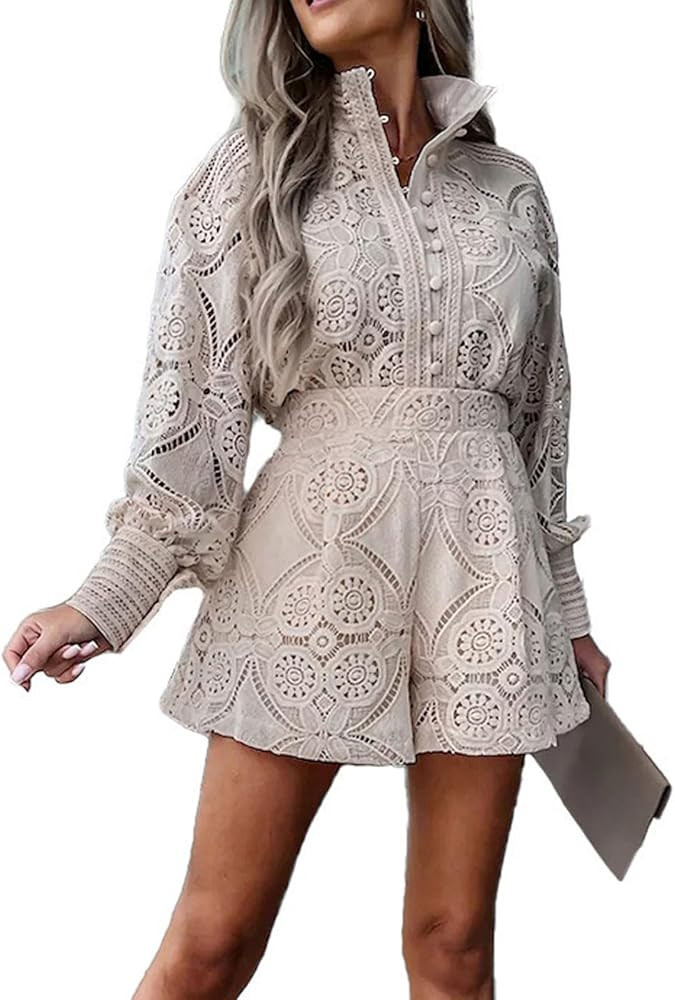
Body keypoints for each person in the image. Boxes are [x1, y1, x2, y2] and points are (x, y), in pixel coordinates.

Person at [3, 1, 612, 997]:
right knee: (214, 939)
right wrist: (105, 598)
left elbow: (541, 424)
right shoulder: (249, 173)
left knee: (454, 944)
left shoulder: (511, 190)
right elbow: (191, 417)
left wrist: (570, 616)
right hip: (309, 573)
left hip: (489, 586)